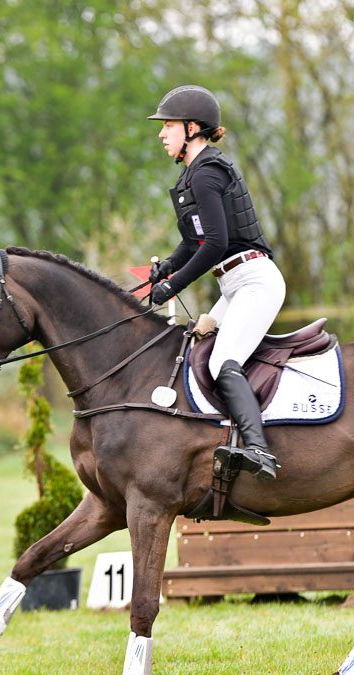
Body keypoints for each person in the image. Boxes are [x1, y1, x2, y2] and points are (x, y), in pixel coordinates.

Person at [148, 85, 286, 480]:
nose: (161, 134)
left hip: (254, 282)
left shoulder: (207, 174)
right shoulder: (196, 173)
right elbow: (194, 240)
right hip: (234, 284)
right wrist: (168, 266)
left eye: (169, 126)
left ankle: (259, 450)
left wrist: (173, 287)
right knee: (200, 340)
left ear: (192, 128)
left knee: (225, 360)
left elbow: (216, 244)